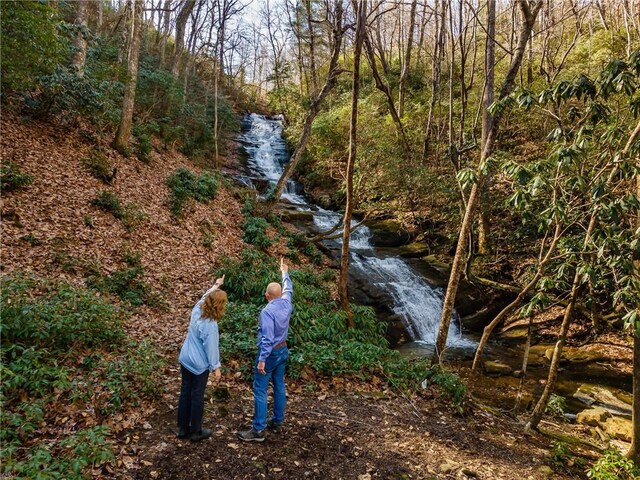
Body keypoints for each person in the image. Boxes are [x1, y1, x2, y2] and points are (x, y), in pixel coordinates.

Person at [238, 258, 293, 442]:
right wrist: (284, 272)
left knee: (260, 389)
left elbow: (267, 338)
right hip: (283, 351)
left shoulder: (267, 312)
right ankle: (277, 421)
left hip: (270, 354)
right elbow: (288, 288)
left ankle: (258, 430)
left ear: (267, 295)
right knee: (279, 384)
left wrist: (262, 359)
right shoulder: (287, 302)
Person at [177, 275, 226, 442]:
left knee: (185, 392)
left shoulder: (197, 309)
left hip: (185, 358)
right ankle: (196, 431)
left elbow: (205, 296)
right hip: (198, 365)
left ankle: (182, 428)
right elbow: (211, 349)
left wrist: (216, 285)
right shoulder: (210, 326)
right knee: (197, 395)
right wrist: (216, 367)